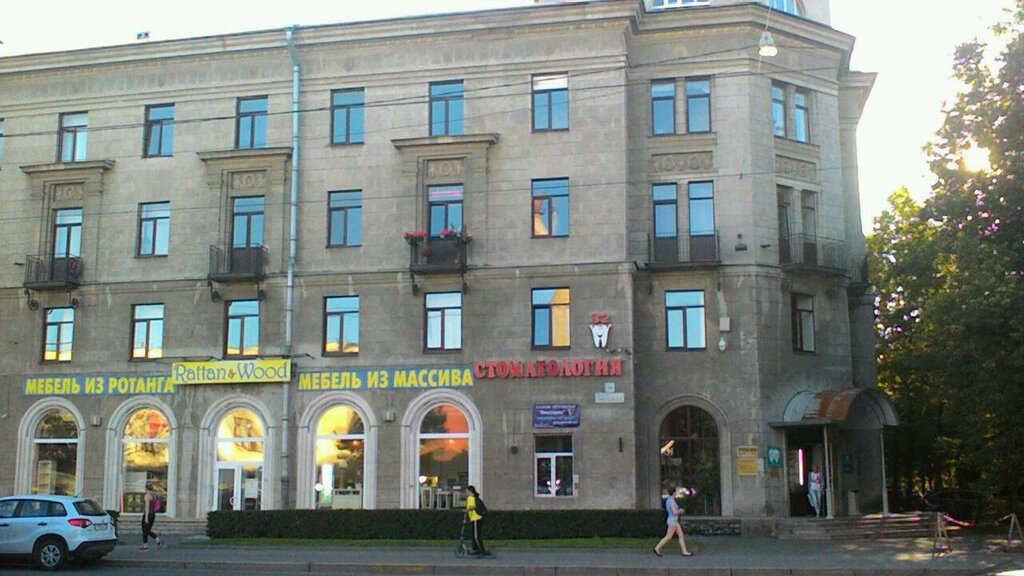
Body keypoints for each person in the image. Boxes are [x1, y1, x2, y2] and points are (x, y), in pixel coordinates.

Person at [653, 487, 693, 557]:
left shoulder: (669, 500)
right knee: (668, 537)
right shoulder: (671, 501)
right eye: (675, 492)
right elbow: (674, 512)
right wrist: (680, 511)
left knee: (681, 535)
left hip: (673, 521)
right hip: (673, 521)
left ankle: (684, 551)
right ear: (674, 493)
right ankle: (657, 548)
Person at [465, 485, 491, 557]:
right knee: (475, 533)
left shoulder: (470, 497)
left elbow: (472, 507)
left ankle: (481, 550)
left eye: (466, 491)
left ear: (470, 491)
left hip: (476, 517)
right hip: (479, 517)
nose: (466, 492)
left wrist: (466, 510)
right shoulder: (476, 497)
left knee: (476, 535)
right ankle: (476, 548)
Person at [139, 484, 164, 552]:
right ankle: (158, 540)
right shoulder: (154, 496)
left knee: (145, 530)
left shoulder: (147, 496)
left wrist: (146, 517)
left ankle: (145, 546)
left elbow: (147, 507)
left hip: (148, 514)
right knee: (148, 530)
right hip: (153, 514)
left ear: (146, 489)